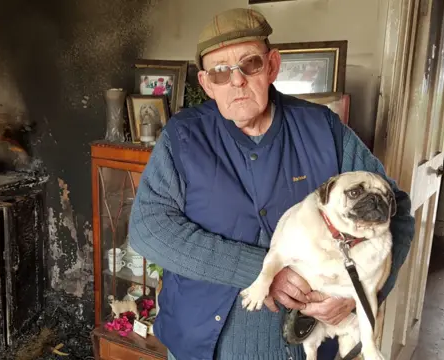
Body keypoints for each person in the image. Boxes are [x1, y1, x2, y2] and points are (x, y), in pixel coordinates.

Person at [128, 8, 415, 360]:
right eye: (220, 72)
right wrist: (264, 270)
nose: (236, 81)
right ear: (205, 83)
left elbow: (396, 211)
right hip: (201, 343)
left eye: (249, 64)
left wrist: (360, 294)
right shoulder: (182, 137)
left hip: (307, 344)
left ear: (273, 66)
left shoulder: (323, 130)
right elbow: (149, 229)